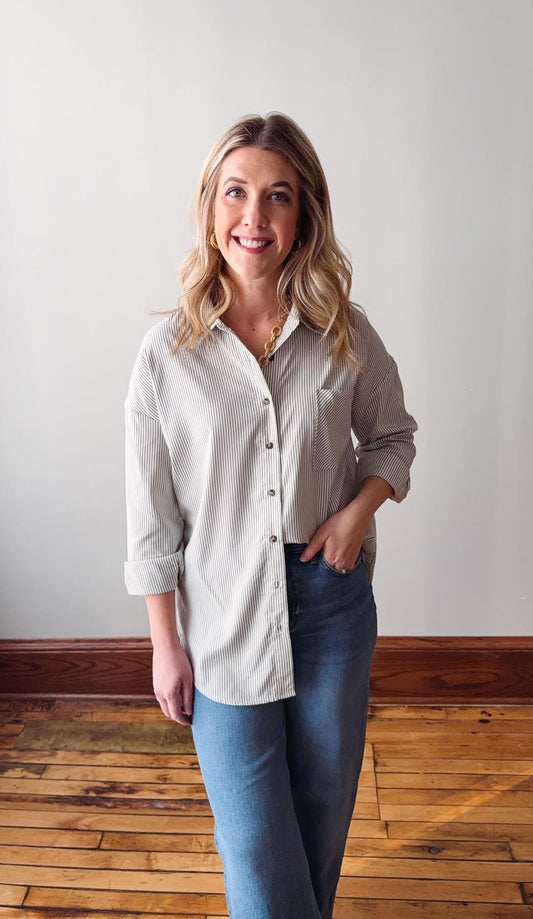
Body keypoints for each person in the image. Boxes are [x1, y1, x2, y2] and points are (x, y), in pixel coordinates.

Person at [125, 112, 416, 919]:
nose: (253, 216)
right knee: (254, 841)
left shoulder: (343, 334)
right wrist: (164, 644)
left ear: (303, 214)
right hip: (221, 610)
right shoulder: (165, 356)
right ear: (210, 206)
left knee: (320, 819)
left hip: (329, 604)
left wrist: (358, 512)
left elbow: (393, 438)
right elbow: (150, 517)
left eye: (277, 196)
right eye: (236, 192)